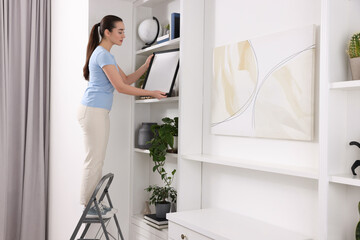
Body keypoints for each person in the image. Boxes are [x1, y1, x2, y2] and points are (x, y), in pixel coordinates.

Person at [77, 15, 166, 218]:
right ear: (107, 32)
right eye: (120, 31)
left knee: (97, 159)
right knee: (94, 160)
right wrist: (150, 92)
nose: (124, 35)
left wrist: (145, 67)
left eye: (124, 31)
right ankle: (88, 205)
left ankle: (92, 203)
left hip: (97, 112)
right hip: (93, 111)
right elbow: (121, 87)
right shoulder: (103, 54)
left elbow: (125, 79)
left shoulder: (105, 54)